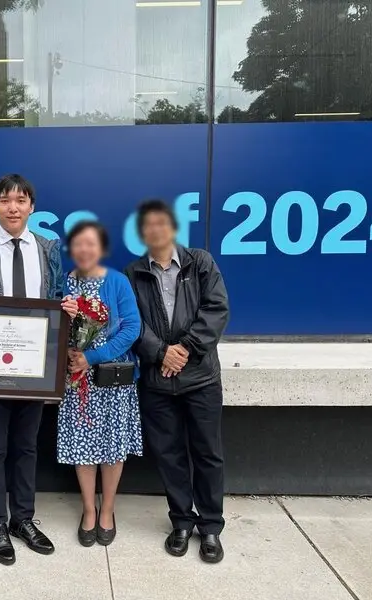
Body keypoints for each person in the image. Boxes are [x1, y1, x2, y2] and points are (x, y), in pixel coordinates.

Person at [0, 173, 75, 566]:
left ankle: (23, 519)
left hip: (35, 368)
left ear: (31, 207)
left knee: (26, 447)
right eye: (5, 200)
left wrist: (66, 310)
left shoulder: (47, 248)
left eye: (21, 200)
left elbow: (54, 301)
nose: (13, 207)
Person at [124, 199, 230, 564]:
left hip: (200, 378)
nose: (155, 230)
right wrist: (160, 353)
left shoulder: (200, 262)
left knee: (207, 453)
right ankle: (182, 521)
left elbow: (216, 310)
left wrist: (183, 350)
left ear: (173, 227)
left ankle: (211, 527)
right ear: (142, 233)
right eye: (148, 225)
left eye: (161, 223)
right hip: (157, 381)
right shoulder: (133, 273)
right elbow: (132, 324)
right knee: (169, 455)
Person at [57, 221, 142, 548]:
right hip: (76, 385)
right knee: (83, 447)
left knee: (111, 447)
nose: (84, 250)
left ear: (101, 249)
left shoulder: (117, 282)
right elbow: (53, 328)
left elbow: (132, 328)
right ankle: (88, 510)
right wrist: (67, 342)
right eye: (78, 244)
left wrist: (91, 357)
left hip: (112, 384)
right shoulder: (65, 283)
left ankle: (107, 510)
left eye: (91, 244)